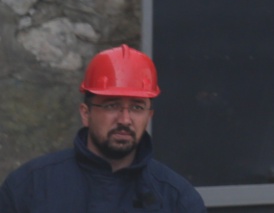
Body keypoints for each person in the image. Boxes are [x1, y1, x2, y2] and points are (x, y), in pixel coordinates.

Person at [0, 44, 205, 212]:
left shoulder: (177, 200)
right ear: (85, 113)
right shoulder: (29, 187)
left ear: (149, 116)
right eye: (112, 105)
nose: (125, 119)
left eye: (136, 107)